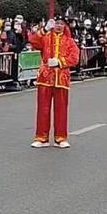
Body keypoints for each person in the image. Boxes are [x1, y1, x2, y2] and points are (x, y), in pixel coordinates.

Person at [29, 18, 80, 148]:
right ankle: (41, 138)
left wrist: (60, 62)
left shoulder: (69, 41)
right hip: (45, 77)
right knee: (43, 109)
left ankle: (60, 137)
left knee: (61, 109)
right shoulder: (46, 38)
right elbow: (33, 41)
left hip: (61, 78)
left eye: (61, 24)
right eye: (56, 23)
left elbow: (74, 58)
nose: (59, 26)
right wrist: (44, 29)